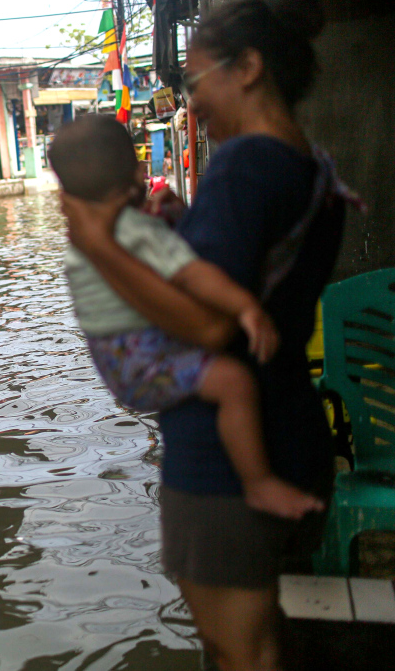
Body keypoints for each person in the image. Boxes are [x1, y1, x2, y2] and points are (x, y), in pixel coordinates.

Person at [61, 0, 353, 669]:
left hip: (222, 471)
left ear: (247, 67)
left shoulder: (245, 166)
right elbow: (243, 280)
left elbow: (211, 322)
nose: (191, 103)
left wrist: (98, 243)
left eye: (197, 82)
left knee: (239, 651)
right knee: (261, 640)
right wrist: (177, 227)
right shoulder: (316, 173)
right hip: (288, 431)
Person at [50, 114, 324, 522]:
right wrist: (245, 306)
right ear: (136, 171)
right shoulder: (139, 233)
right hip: (143, 355)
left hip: (114, 363)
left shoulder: (81, 242)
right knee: (235, 383)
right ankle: (259, 483)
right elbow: (194, 274)